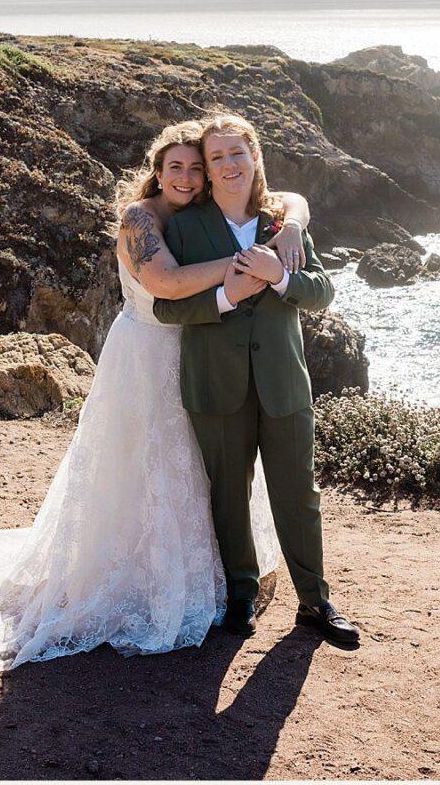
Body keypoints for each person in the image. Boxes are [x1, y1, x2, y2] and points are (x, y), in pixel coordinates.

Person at [0, 120, 311, 670]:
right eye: (178, 166)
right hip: (147, 353)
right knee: (137, 468)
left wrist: (288, 228)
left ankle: (200, 572)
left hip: (199, 352)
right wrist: (253, 263)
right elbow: (166, 286)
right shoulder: (140, 219)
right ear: (158, 171)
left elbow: (287, 198)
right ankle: (136, 577)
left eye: (199, 166)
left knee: (198, 470)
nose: (190, 176)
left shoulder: (206, 215)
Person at [152, 112, 359, 647]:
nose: (227, 164)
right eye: (216, 157)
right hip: (216, 384)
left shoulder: (282, 223)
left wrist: (280, 277)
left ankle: (315, 602)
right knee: (228, 495)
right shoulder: (184, 226)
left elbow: (321, 292)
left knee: (299, 494)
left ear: (255, 158)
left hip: (283, 382)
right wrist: (227, 297)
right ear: (208, 168)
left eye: (236, 154)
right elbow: (166, 308)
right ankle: (239, 596)